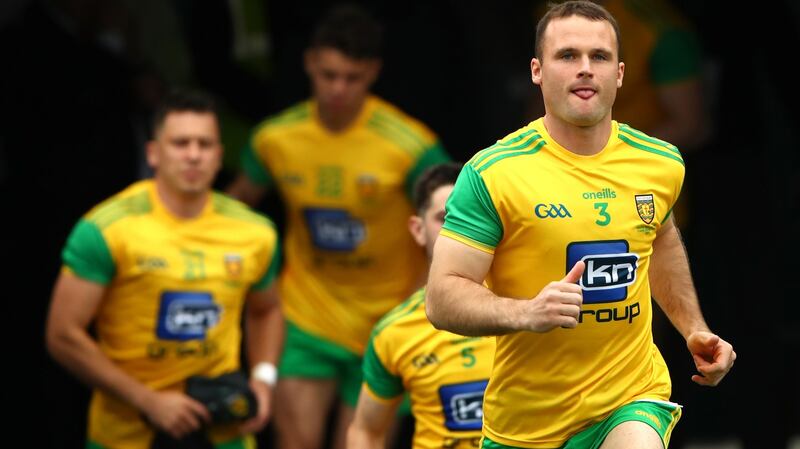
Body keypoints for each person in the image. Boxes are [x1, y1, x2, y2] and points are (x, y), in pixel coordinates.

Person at [425, 2, 736, 449]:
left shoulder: (660, 162)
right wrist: (527, 312)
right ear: (537, 71)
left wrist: (693, 328)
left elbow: (661, 239)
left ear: (621, 73)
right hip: (525, 423)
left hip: (629, 397)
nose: (585, 69)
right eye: (568, 56)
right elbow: (442, 297)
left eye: (600, 57)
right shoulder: (492, 173)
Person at [226, 5, 449, 449]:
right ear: (309, 63)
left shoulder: (410, 145)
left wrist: (428, 298)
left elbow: (455, 219)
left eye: (352, 77)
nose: (338, 89)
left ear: (373, 72)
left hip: (386, 322)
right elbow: (234, 209)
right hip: (307, 319)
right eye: (328, 75)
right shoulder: (274, 139)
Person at [45, 87, 283, 449]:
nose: (193, 155)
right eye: (180, 143)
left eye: (204, 145)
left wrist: (263, 380)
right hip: (126, 433)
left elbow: (267, 309)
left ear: (219, 156)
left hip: (224, 431)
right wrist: (148, 400)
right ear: (153, 153)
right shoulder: (107, 229)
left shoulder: (255, 232)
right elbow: (62, 335)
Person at [347, 163, 493, 449]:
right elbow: (365, 431)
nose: (456, 228)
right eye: (444, 218)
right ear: (418, 229)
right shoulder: (394, 332)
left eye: (468, 216)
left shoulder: (528, 308)